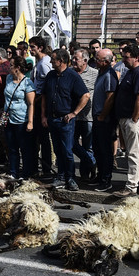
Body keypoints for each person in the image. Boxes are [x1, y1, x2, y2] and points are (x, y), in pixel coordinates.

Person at [41, 48, 90, 191]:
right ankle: (61, 176)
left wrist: (74, 113)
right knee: (57, 149)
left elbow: (85, 95)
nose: (50, 62)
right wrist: (43, 115)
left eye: (53, 59)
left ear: (61, 61)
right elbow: (44, 96)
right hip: (52, 119)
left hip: (65, 120)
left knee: (67, 150)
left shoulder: (72, 76)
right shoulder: (50, 75)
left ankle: (71, 177)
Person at [113, 44, 139, 197]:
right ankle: (135, 183)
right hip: (127, 118)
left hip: (134, 119)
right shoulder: (131, 72)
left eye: (126, 57)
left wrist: (134, 119)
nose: (124, 60)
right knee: (130, 152)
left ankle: (131, 186)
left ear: (136, 57)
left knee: (134, 153)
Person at [1, 57, 36, 179]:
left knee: (24, 148)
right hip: (8, 118)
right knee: (12, 147)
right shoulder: (9, 78)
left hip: (22, 119)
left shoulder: (27, 83)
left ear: (18, 68)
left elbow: (31, 103)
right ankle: (13, 172)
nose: (8, 67)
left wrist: (30, 122)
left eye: (11, 65)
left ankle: (26, 173)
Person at [91, 49, 119, 192]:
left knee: (105, 150)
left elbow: (110, 97)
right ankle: (100, 175)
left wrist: (103, 115)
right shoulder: (101, 72)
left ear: (106, 62)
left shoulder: (109, 75)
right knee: (97, 148)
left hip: (105, 119)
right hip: (97, 116)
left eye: (98, 59)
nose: (95, 61)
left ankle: (106, 179)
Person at [28, 37, 55, 178]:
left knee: (43, 138)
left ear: (40, 47)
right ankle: (38, 167)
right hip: (36, 101)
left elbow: (45, 87)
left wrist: (35, 100)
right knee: (37, 138)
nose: (30, 50)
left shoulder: (44, 63)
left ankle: (46, 168)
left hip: (39, 103)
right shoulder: (39, 62)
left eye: (32, 47)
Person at [72, 48, 98, 182]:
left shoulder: (95, 74)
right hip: (72, 116)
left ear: (85, 61)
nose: (73, 60)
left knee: (88, 146)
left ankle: (85, 175)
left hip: (88, 117)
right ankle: (92, 162)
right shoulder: (70, 73)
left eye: (76, 59)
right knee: (71, 143)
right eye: (73, 58)